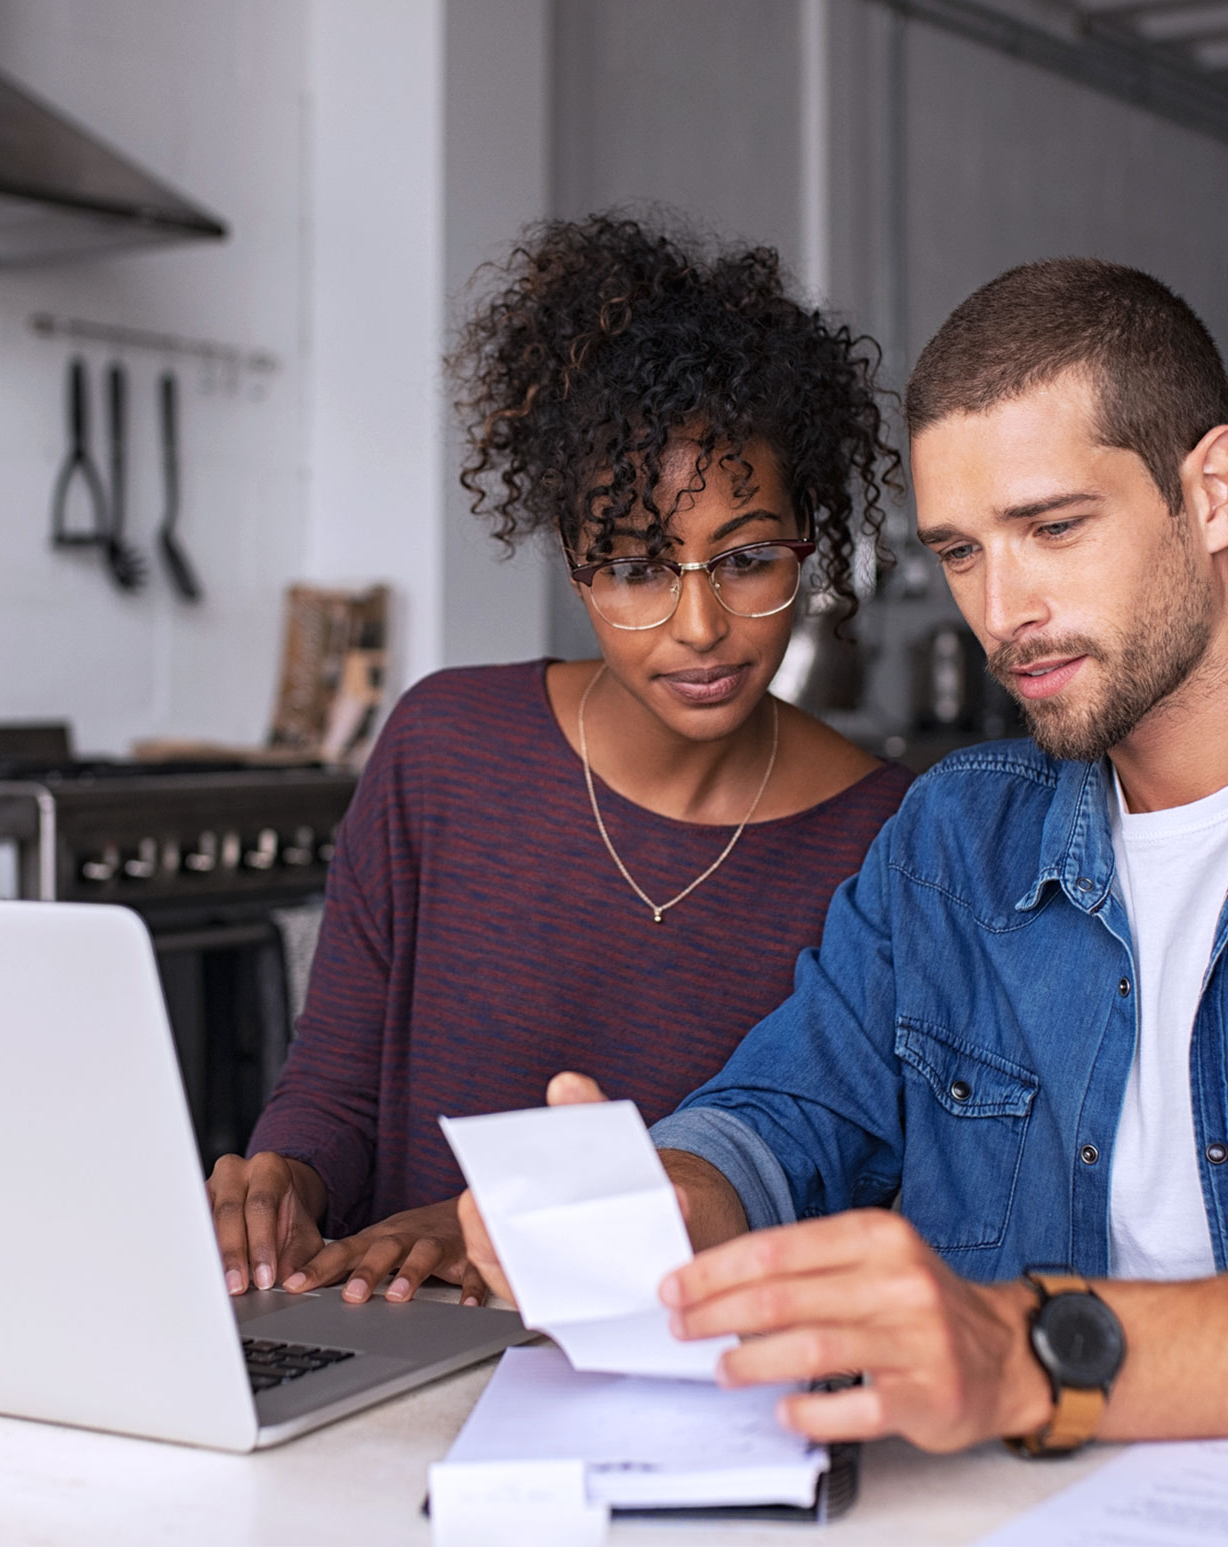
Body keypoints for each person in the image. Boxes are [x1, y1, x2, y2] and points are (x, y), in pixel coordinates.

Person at [461, 257, 1228, 1452]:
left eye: (1051, 527)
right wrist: (666, 1199)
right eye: (963, 550)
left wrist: (1034, 1353)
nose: (1002, 611)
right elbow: (785, 1113)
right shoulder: (952, 839)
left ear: (1214, 493)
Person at [208, 216, 913, 1308]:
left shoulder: (888, 838)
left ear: (809, 545)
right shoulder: (443, 749)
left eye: (749, 558)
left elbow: (838, 1185)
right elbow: (336, 1091)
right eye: (634, 566)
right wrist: (283, 1181)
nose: (697, 625)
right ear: (576, 568)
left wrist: (493, 1227)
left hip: (688, 1395)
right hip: (393, 1358)